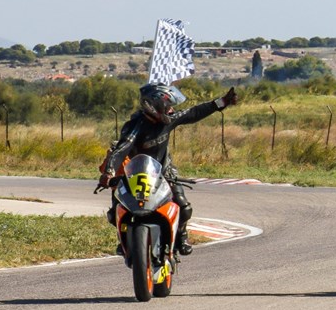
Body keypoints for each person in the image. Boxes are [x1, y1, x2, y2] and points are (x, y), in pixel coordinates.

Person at [99, 83, 238, 256]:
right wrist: (109, 171)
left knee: (183, 206)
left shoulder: (169, 120)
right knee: (116, 211)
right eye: (167, 106)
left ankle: (181, 235)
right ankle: (124, 239)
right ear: (153, 106)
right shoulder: (135, 125)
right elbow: (122, 148)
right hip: (135, 171)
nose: (171, 110)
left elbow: (193, 113)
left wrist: (222, 102)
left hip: (163, 169)